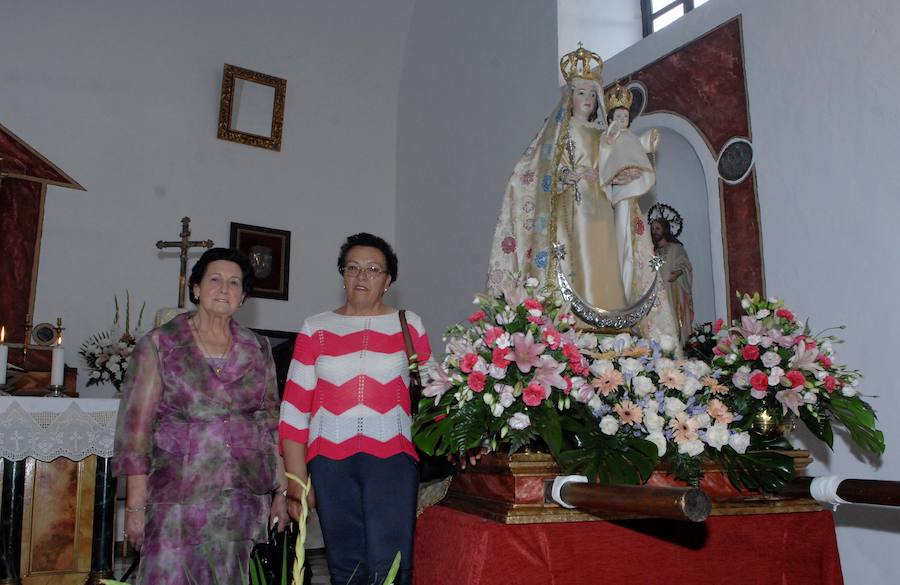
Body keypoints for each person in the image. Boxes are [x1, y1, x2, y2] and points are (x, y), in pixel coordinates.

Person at [113, 247, 289, 585]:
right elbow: (136, 430)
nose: (225, 288)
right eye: (215, 279)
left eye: (235, 283)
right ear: (196, 288)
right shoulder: (160, 344)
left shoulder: (258, 349)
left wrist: (279, 493)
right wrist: (135, 508)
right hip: (177, 496)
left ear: (243, 297)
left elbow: (270, 424)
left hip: (239, 496)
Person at [487, 46, 677, 340]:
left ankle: (610, 316)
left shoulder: (604, 135)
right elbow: (545, 169)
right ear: (569, 98)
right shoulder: (560, 131)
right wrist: (567, 174)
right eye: (581, 93)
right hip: (573, 208)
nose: (587, 99)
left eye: (591, 94)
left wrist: (625, 173)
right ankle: (577, 320)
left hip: (601, 204)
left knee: (606, 258)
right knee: (580, 256)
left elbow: (615, 162)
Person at [279, 233, 430, 585]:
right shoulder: (315, 328)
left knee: (391, 566)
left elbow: (435, 392)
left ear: (388, 280)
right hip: (330, 464)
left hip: (392, 461)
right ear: (342, 275)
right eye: (353, 268)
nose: (362, 277)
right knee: (345, 566)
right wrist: (297, 483)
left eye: (373, 269)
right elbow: (294, 410)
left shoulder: (409, 325)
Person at [651, 210, 694, 346]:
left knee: (674, 322)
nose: (654, 231)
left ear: (665, 229)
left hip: (673, 292)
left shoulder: (676, 248)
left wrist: (677, 273)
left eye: (657, 228)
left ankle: (678, 346)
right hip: (657, 296)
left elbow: (685, 265)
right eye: (652, 229)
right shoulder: (652, 252)